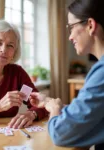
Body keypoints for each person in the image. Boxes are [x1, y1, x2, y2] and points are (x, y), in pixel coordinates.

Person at [29, 0, 104, 149]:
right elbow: (94, 110)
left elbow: (60, 134)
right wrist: (52, 104)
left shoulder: (101, 72)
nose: (70, 37)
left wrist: (55, 111)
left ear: (90, 25)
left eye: (71, 27)